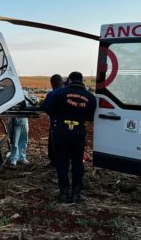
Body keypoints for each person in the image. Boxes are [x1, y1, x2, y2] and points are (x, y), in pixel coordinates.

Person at [45, 71, 96, 203]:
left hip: (61, 131)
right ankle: (75, 194)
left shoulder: (59, 93)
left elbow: (48, 109)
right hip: (78, 132)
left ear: (70, 80)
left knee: (62, 162)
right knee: (78, 163)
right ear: (82, 81)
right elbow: (91, 117)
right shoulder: (90, 96)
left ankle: (63, 193)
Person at [42, 74, 64, 168]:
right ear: (62, 82)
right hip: (70, 126)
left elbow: (45, 108)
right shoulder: (68, 92)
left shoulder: (52, 94)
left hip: (55, 124)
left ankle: (54, 162)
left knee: (53, 144)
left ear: (52, 83)